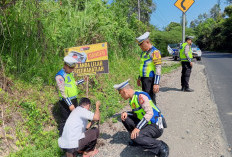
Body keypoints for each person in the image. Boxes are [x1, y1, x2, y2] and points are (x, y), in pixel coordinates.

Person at [114, 79, 169, 157]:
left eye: (120, 94)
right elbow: (137, 113)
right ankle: (136, 139)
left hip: (155, 124)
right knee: (125, 118)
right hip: (147, 123)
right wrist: (126, 113)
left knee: (138, 137)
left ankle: (161, 146)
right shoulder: (132, 99)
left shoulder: (140, 97)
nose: (121, 96)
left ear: (124, 91)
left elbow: (149, 113)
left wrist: (137, 128)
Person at [55, 55, 86, 136]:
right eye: (71, 68)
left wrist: (82, 80)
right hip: (65, 102)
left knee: (74, 119)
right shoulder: (60, 76)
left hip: (74, 100)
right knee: (65, 120)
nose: (73, 70)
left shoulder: (70, 73)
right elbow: (63, 93)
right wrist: (70, 104)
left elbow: (73, 84)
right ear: (65, 66)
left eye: (73, 68)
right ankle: (62, 138)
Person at [136, 32, 162, 105]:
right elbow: (143, 66)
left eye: (142, 45)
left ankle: (155, 114)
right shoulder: (143, 53)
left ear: (147, 42)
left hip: (150, 79)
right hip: (144, 79)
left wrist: (156, 83)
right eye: (139, 45)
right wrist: (139, 78)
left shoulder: (155, 52)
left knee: (150, 98)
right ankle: (148, 114)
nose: (140, 47)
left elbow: (158, 68)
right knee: (145, 98)